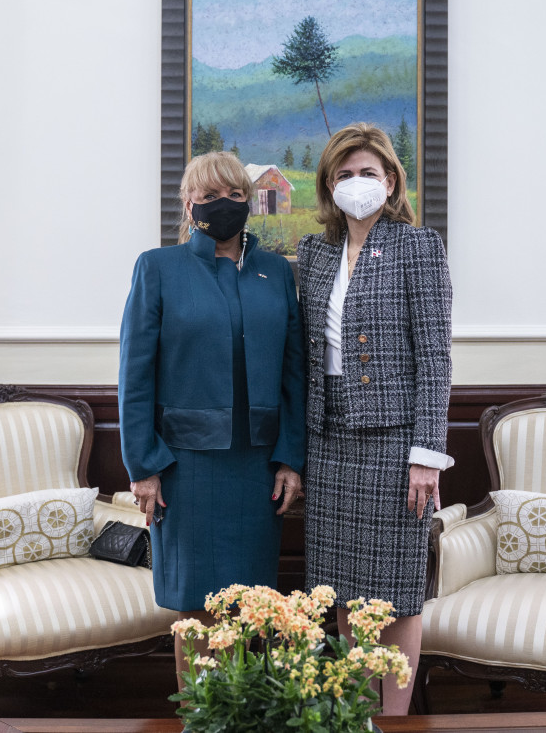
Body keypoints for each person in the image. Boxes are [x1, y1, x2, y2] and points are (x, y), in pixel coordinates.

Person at [118, 151, 306, 674]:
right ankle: (202, 712)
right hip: (185, 469)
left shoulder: (276, 271)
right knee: (197, 607)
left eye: (236, 194)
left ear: (250, 202)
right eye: (210, 195)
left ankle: (246, 710)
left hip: (259, 469)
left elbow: (294, 373)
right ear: (189, 204)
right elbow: (135, 375)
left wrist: (290, 458)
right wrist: (144, 467)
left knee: (253, 606)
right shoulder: (157, 268)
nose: (225, 204)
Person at [297, 122, 453, 716]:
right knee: (341, 589)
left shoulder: (418, 247)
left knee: (398, 594)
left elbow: (435, 359)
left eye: (368, 172)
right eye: (344, 174)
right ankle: (356, 716)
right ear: (328, 186)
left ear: (390, 182)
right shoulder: (314, 254)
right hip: (329, 441)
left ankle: (394, 719)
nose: (356, 182)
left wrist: (426, 456)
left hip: (395, 447)